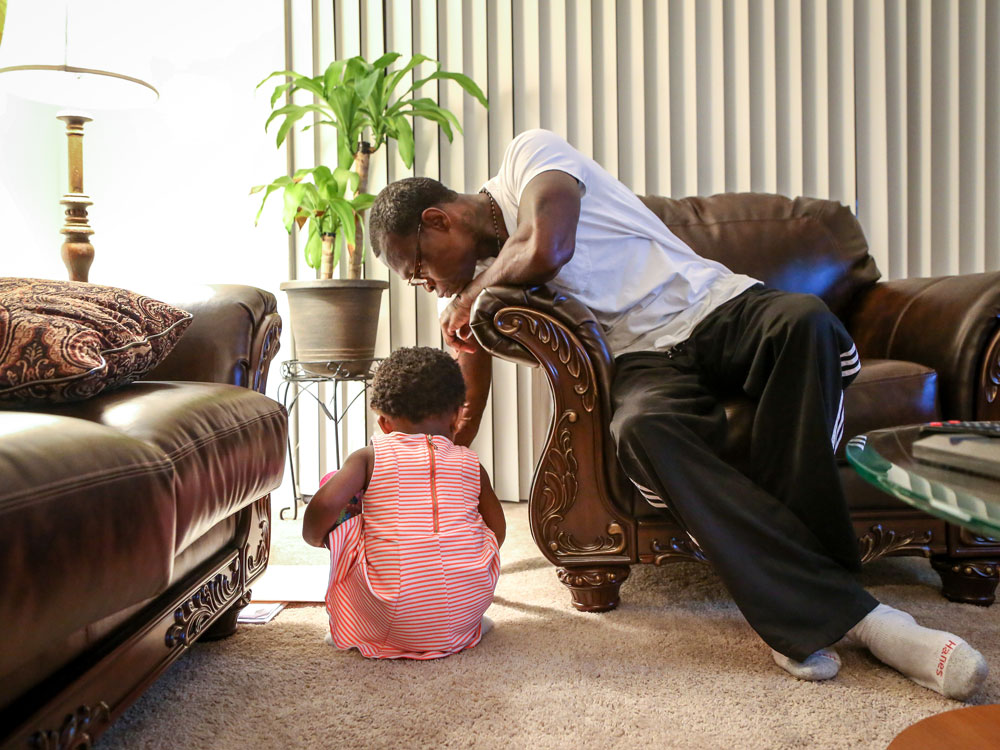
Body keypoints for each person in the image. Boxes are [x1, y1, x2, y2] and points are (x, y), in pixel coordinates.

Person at [366, 128, 989, 697]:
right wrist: (436, 460)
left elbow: (548, 243)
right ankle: (869, 621)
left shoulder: (530, 157)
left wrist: (473, 292)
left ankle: (806, 609)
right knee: (641, 429)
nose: (424, 284)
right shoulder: (482, 285)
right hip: (643, 362)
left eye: (417, 266)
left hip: (720, 308)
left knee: (804, 322)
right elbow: (465, 391)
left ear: (439, 218)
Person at [302, 346, 506, 659]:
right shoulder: (471, 463)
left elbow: (322, 509)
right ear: (457, 416)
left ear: (384, 423)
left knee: (339, 495)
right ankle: (461, 621)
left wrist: (322, 539)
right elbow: (498, 530)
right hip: (466, 607)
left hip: (393, 615)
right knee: (470, 535)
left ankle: (362, 628)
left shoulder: (369, 458)